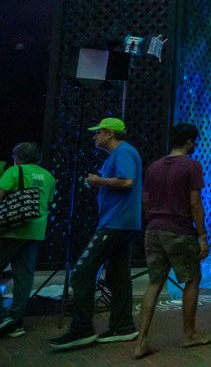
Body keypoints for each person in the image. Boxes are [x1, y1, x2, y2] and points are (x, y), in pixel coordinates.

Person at [50, 117, 143, 351]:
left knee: (82, 271)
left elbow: (127, 181)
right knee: (118, 276)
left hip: (115, 223)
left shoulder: (122, 152)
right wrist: (99, 184)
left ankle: (82, 329)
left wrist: (98, 180)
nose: (94, 136)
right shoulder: (121, 153)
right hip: (123, 222)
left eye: (98, 132)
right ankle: (123, 326)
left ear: (109, 133)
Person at [133, 123, 211, 358]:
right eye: (194, 141)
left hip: (154, 229)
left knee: (154, 283)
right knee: (192, 279)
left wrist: (154, 221)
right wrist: (203, 236)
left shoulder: (154, 167)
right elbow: (195, 204)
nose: (195, 145)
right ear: (189, 141)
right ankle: (189, 334)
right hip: (179, 230)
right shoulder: (192, 166)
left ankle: (142, 341)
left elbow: (145, 200)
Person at [0, 142, 56, 338]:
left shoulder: (14, 172)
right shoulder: (48, 176)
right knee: (24, 277)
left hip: (12, 230)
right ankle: (16, 322)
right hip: (35, 231)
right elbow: (47, 202)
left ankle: (3, 317)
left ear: (17, 157)